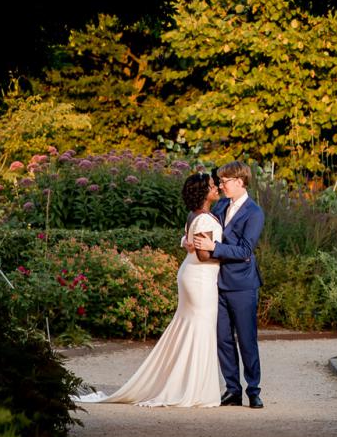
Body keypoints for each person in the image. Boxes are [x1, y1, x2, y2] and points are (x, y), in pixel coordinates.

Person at [78, 172, 225, 407]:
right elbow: (204, 253)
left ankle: (187, 383)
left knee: (190, 329)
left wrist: (189, 242)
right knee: (200, 329)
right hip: (200, 279)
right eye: (211, 185)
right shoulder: (205, 219)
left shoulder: (196, 215)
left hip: (193, 275)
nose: (216, 187)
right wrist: (227, 252)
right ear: (203, 193)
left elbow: (190, 242)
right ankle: (193, 388)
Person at [191, 161, 265, 408]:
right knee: (223, 339)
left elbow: (245, 250)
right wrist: (188, 239)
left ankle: (253, 390)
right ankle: (232, 390)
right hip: (215, 282)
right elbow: (203, 226)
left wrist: (215, 248)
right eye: (220, 181)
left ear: (240, 182)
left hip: (243, 284)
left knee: (246, 339)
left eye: (225, 181)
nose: (220, 185)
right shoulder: (221, 205)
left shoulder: (254, 212)